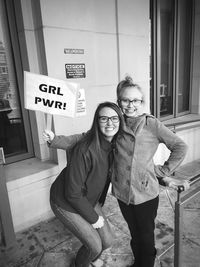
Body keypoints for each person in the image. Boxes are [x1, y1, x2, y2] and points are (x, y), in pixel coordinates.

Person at [44, 76, 190, 267]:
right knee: (134, 233)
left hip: (145, 195)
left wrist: (164, 174)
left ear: (142, 102)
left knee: (145, 236)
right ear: (119, 101)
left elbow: (179, 146)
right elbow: (83, 137)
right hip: (123, 194)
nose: (130, 105)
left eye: (135, 100)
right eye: (125, 100)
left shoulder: (151, 124)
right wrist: (55, 140)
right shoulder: (116, 123)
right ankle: (138, 261)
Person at [48, 102, 125, 267]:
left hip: (88, 198)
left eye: (114, 118)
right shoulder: (86, 149)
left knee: (108, 241)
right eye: (103, 118)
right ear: (97, 122)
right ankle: (80, 264)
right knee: (95, 245)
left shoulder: (116, 145)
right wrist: (93, 218)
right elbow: (72, 193)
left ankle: (92, 258)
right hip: (64, 201)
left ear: (120, 121)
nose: (109, 123)